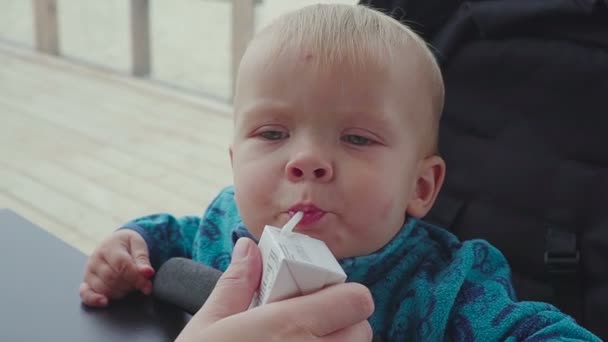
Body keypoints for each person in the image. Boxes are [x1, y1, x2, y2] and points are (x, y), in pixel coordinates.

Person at [80, 4, 600, 341]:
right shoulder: (225, 227)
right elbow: (174, 236)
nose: (306, 160)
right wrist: (134, 243)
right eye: (272, 134)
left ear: (421, 187)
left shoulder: (447, 286)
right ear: (235, 162)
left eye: (356, 138)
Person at [174, 237, 374, 342]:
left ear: (407, 189)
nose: (305, 160)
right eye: (269, 154)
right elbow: (180, 234)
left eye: (359, 154)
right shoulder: (224, 215)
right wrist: (145, 237)